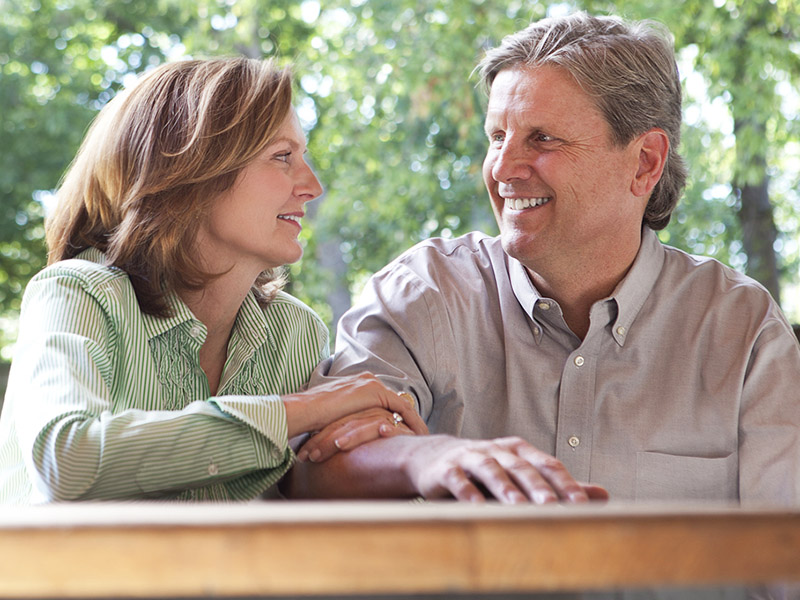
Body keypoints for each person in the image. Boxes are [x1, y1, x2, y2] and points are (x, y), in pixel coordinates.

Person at [287, 12, 800, 506]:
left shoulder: (743, 330)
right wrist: (429, 455)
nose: (503, 168)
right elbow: (315, 471)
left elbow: (784, 558)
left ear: (645, 162)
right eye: (497, 137)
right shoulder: (424, 295)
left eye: (543, 139)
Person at [0, 57, 425, 504]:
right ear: (191, 171)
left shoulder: (293, 332)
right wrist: (307, 409)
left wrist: (383, 440)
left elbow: (309, 487)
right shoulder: (77, 293)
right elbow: (67, 459)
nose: (312, 185)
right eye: (282, 157)